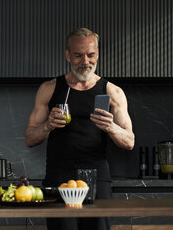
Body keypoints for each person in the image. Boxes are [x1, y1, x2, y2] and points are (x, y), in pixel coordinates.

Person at [25, 27, 135, 230]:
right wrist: (48, 125)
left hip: (97, 177)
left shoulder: (113, 92)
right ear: (68, 55)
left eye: (91, 55)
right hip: (59, 176)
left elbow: (129, 141)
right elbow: (30, 138)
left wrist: (111, 127)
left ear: (98, 54)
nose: (85, 62)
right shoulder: (49, 88)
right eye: (78, 55)